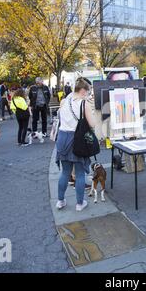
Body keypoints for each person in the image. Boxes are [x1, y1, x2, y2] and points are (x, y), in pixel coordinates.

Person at [55, 77, 95, 212]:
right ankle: (79, 203)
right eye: (88, 91)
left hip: (62, 138)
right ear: (83, 90)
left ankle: (60, 201)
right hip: (76, 140)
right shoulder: (85, 104)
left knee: (65, 172)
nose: (88, 94)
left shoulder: (64, 101)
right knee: (79, 174)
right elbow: (92, 124)